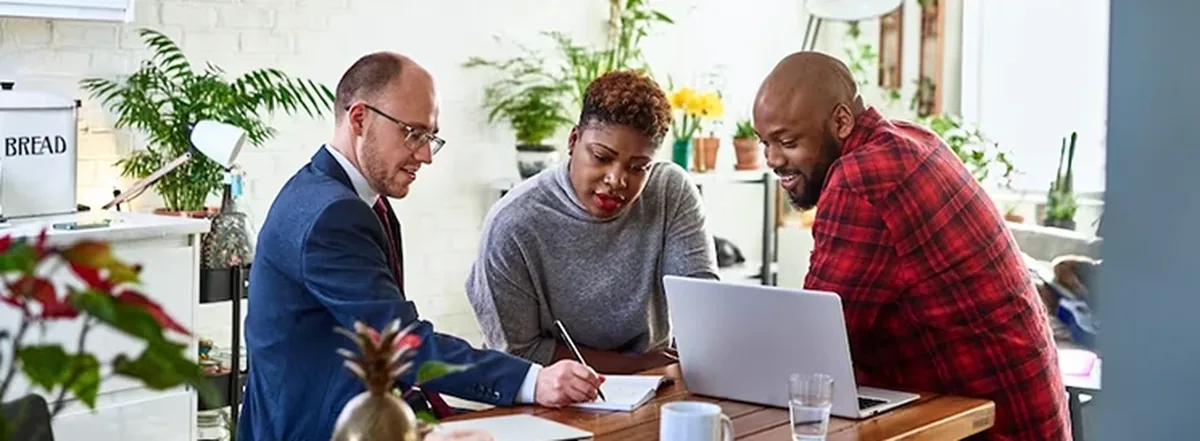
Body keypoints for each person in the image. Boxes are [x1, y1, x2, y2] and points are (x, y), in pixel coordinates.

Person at [238, 52, 604, 441]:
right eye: (413, 133)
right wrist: (533, 381)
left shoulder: (341, 195)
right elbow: (400, 343)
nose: (426, 155)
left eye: (430, 136)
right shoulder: (333, 214)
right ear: (360, 119)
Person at [752, 51, 1069, 441]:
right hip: (1024, 416)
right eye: (764, 142)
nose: (772, 158)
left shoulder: (861, 179)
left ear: (840, 121)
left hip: (985, 427)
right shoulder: (912, 138)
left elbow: (815, 348)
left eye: (787, 141)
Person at [465, 70, 718, 375]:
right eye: (601, 157)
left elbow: (701, 309)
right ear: (573, 141)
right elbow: (519, 352)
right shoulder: (513, 223)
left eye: (638, 167)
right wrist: (636, 366)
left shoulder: (669, 191)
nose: (617, 180)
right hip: (548, 395)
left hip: (652, 385)